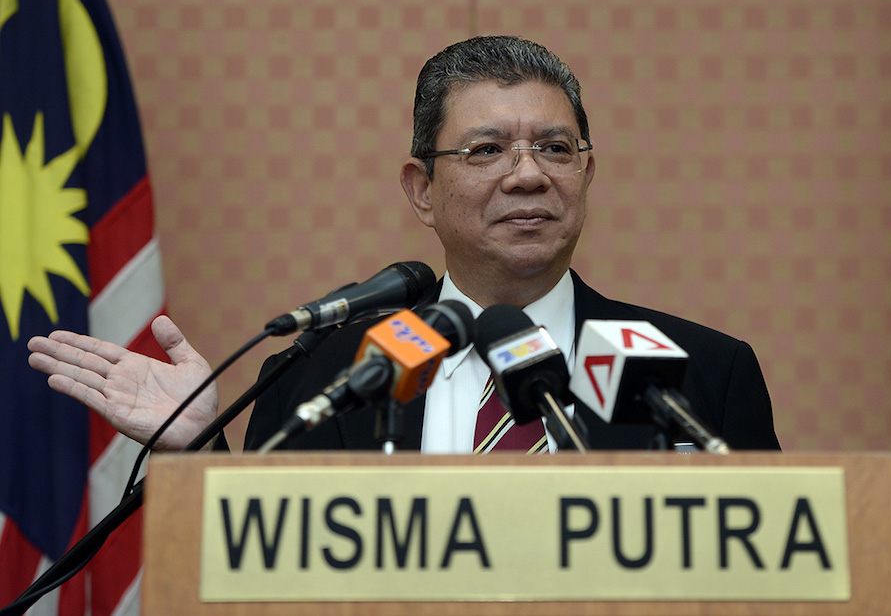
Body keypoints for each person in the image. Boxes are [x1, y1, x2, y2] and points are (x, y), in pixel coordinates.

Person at [26, 36, 780, 453]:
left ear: (587, 171)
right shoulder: (322, 371)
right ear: (422, 189)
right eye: (487, 150)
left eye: (555, 147)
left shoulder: (697, 375)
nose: (528, 176)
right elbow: (258, 582)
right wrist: (193, 450)